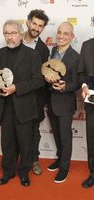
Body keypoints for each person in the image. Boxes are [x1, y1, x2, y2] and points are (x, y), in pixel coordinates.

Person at [0, 19, 44, 186]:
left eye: (13, 33)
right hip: (6, 107)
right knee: (7, 143)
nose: (10, 37)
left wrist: (17, 87)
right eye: (6, 33)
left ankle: (24, 173)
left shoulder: (32, 55)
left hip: (25, 107)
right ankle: (7, 173)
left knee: (25, 143)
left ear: (21, 34)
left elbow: (38, 81)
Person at [45, 22, 79, 183]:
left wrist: (66, 86)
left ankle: (64, 168)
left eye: (66, 33)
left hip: (65, 104)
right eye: (59, 32)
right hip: (51, 102)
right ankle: (60, 159)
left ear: (72, 37)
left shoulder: (75, 57)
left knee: (65, 138)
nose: (61, 36)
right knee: (57, 136)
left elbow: (77, 82)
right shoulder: (53, 51)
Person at [23, 9, 49, 175]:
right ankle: (16, 161)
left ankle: (33, 160)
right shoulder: (15, 40)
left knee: (34, 132)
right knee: (15, 130)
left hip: (35, 98)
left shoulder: (44, 50)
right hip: (14, 95)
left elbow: (43, 77)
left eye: (40, 26)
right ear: (27, 22)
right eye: (34, 23)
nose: (36, 28)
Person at [78, 38, 94, 188]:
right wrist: (84, 86)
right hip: (92, 101)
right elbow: (82, 72)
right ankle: (93, 172)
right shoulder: (87, 45)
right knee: (92, 137)